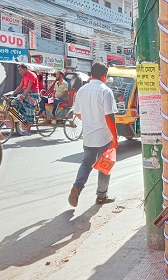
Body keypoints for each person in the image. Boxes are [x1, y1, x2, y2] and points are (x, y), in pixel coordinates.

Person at [68, 61, 119, 207]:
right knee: (104, 165)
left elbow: (77, 113)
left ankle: (77, 187)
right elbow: (109, 117)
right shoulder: (105, 91)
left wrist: (90, 120)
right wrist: (115, 138)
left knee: (86, 163)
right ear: (104, 76)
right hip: (104, 136)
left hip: (88, 135)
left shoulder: (82, 90)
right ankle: (101, 196)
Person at [11, 64, 40, 135]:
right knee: (13, 102)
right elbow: (20, 86)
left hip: (33, 95)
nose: (19, 72)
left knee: (30, 109)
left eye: (20, 70)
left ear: (25, 69)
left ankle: (28, 130)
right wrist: (12, 93)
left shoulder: (32, 75)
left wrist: (23, 95)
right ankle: (25, 117)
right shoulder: (24, 77)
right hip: (25, 93)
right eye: (19, 70)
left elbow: (29, 87)